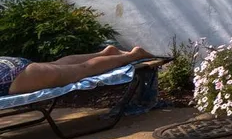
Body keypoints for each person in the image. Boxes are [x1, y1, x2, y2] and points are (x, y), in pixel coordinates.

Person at [0, 45, 159, 98]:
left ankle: (133, 55)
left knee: (83, 70)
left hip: (14, 79)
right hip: (11, 66)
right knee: (58, 65)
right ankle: (105, 53)